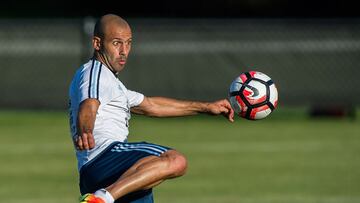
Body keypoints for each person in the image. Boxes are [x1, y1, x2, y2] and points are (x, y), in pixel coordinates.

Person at [68, 14, 234, 203]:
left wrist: (206, 107)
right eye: (116, 43)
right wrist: (85, 130)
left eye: (128, 43)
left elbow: (151, 106)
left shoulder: (112, 84)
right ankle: (102, 198)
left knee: (151, 174)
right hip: (105, 158)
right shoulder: (95, 72)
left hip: (111, 174)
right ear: (97, 43)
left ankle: (102, 197)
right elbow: (89, 104)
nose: (124, 51)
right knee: (174, 160)